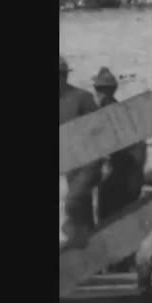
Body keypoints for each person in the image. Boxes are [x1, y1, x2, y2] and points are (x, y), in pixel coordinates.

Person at [93, 67, 149, 227]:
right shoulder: (123, 111)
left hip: (116, 176)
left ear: (97, 90)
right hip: (130, 175)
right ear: (114, 89)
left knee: (106, 222)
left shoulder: (102, 113)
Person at [60, 55, 102, 245]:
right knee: (81, 207)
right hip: (70, 162)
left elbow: (101, 130)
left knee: (74, 201)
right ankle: (88, 248)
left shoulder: (82, 98)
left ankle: (80, 243)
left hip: (89, 161)